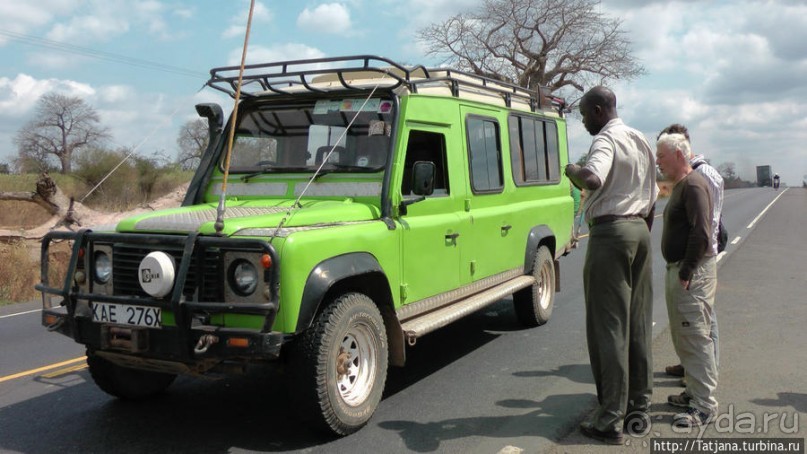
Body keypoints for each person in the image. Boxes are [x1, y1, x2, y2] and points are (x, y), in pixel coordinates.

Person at [565, 86, 658, 444]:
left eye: (586, 113)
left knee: (609, 328)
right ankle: (639, 408)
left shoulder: (606, 140)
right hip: (639, 230)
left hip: (611, 233)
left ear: (601, 110)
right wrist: (638, 233)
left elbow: (592, 179)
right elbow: (651, 197)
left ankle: (609, 419)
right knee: (637, 324)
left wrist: (573, 169)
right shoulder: (640, 139)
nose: (584, 121)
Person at [656, 132, 718, 428]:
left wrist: (685, 272)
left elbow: (702, 233)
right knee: (684, 335)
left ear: (679, 155)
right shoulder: (681, 185)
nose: (658, 161)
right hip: (681, 270)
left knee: (695, 336)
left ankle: (703, 405)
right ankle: (693, 392)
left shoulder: (693, 184)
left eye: (661, 156)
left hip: (690, 273)